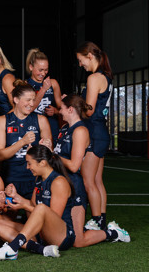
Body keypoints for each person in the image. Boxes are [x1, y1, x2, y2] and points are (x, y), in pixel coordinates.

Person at [54, 95, 130, 246]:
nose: (59, 112)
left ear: (70, 109)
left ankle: (113, 233)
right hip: (60, 184)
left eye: (61, 108)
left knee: (78, 241)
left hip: (74, 187)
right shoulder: (64, 129)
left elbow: (75, 166)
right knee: (56, 236)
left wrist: (52, 155)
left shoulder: (81, 131)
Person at [0, 145, 76, 260]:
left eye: (29, 163)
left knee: (41, 208)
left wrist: (24, 205)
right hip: (41, 235)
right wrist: (16, 197)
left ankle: (12, 249)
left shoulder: (59, 182)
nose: (27, 167)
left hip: (62, 236)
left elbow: (52, 215)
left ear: (42, 163)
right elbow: (33, 205)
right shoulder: (39, 179)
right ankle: (42, 249)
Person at [76, 41, 113, 231]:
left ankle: (97, 219)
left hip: (94, 131)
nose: (80, 64)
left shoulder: (94, 78)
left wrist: (74, 105)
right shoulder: (106, 76)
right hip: (101, 132)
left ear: (89, 56)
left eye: (81, 60)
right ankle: (101, 219)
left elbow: (89, 111)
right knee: (97, 180)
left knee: (88, 180)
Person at [0, 80, 52, 200]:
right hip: (11, 178)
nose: (32, 104)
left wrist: (44, 148)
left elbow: (49, 154)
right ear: (16, 100)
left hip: (34, 178)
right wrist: (22, 142)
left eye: (33, 100)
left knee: (35, 216)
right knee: (7, 217)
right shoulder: (2, 120)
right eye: (28, 100)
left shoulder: (41, 120)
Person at [25, 48, 62, 141]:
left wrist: (55, 111)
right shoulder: (25, 85)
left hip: (52, 126)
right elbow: (28, 109)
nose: (43, 73)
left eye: (46, 70)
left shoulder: (53, 83)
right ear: (31, 67)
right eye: (40, 70)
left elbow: (62, 109)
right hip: (32, 128)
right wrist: (44, 89)